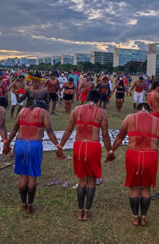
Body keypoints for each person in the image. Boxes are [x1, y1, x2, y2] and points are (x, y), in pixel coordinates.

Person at [111, 103, 159, 226]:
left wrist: (111, 151)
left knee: (134, 188)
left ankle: (135, 218)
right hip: (150, 156)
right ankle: (144, 217)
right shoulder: (158, 122)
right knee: (146, 188)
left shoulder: (129, 118)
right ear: (150, 110)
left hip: (133, 155)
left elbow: (120, 136)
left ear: (136, 110)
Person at [58, 90, 114, 221]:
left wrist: (60, 147)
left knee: (82, 180)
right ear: (98, 100)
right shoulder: (101, 112)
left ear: (87, 98)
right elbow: (105, 135)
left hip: (79, 146)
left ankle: (80, 212)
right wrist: (110, 151)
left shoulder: (76, 110)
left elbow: (68, 130)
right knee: (91, 180)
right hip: (93, 146)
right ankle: (87, 212)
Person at [7, 101, 60, 215]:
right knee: (32, 177)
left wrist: (7, 144)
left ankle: (23, 205)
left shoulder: (22, 111)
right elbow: (49, 130)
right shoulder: (43, 112)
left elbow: (15, 129)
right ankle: (30, 206)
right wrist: (57, 145)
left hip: (20, 144)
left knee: (22, 177)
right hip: (34, 145)